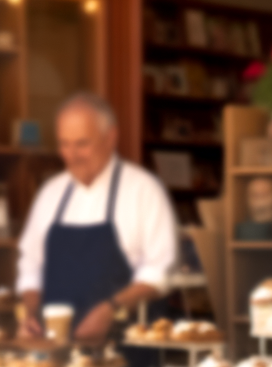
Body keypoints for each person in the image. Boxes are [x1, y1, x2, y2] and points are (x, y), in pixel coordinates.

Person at [16, 92, 178, 343]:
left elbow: (160, 272)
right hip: (56, 355)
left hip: (126, 353)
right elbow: (30, 267)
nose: (72, 155)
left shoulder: (143, 190)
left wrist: (110, 309)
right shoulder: (50, 194)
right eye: (64, 144)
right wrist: (30, 312)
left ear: (110, 137)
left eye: (82, 143)